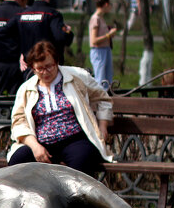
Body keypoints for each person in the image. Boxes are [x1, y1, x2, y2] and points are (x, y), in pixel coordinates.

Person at [7, 40, 113, 177]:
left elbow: (103, 99)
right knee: (18, 161)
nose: (45, 72)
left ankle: (77, 198)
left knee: (81, 162)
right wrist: (35, 146)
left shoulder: (76, 76)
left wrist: (103, 126)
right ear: (32, 68)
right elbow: (19, 121)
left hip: (74, 139)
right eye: (40, 69)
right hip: (41, 142)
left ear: (56, 62)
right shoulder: (26, 89)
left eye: (49, 66)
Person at [14, 0, 73, 68]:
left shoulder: (22, 15)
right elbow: (61, 37)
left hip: (29, 67)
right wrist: (68, 32)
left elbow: (6, 35)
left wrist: (20, 53)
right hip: (49, 70)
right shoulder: (52, 15)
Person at [87, 0, 120, 90]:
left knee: (107, 80)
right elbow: (94, 40)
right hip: (99, 52)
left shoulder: (101, 19)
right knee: (100, 80)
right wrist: (108, 35)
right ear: (106, 5)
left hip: (105, 50)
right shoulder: (95, 19)